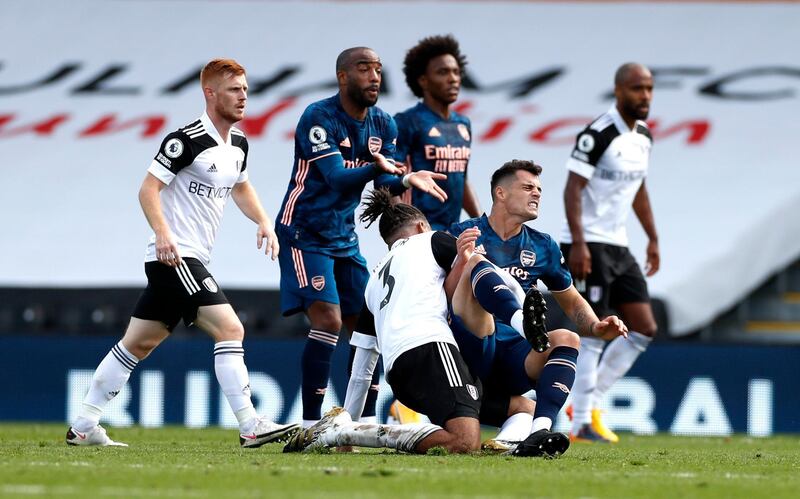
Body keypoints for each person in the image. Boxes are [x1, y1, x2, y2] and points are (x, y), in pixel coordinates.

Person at [66, 59, 299, 448]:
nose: (243, 96)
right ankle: (250, 424)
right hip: (175, 257)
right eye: (233, 89)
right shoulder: (185, 140)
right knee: (231, 329)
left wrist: (263, 221)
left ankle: (84, 425)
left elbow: (240, 185)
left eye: (245, 88)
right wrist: (163, 234)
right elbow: (147, 189)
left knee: (136, 344)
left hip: (189, 258)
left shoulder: (238, 143)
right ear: (210, 93)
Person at [284, 189, 568, 457]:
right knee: (464, 441)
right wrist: (519, 302)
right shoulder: (430, 239)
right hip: (431, 348)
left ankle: (507, 444)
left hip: (399, 373)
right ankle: (349, 433)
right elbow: (484, 271)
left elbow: (361, 367)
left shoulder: (374, 282)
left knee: (523, 408)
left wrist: (349, 413)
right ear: (421, 226)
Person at [275, 47, 446, 428]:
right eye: (364, 68)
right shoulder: (319, 117)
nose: (374, 77)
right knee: (328, 321)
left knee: (368, 325)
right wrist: (376, 168)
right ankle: (308, 423)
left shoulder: (384, 124)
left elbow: (383, 175)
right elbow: (336, 176)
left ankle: (363, 418)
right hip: (303, 231)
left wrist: (404, 178)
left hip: (343, 237)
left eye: (378, 70)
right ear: (342, 76)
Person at [448, 160, 628, 449]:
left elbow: (572, 302)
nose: (537, 194)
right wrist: (460, 261)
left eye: (540, 190)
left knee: (567, 337)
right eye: (528, 187)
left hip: (513, 358)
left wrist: (596, 325)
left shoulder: (542, 246)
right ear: (500, 193)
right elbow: (440, 294)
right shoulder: (463, 232)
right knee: (475, 264)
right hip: (471, 348)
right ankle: (521, 320)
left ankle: (540, 432)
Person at [561, 62, 659, 444]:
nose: (645, 96)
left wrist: (652, 237)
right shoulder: (598, 133)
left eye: (649, 88)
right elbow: (572, 188)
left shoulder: (644, 136)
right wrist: (579, 242)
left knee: (644, 328)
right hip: (590, 243)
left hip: (620, 245)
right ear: (619, 91)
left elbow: (640, 190)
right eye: (637, 89)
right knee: (593, 333)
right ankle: (582, 422)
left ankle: (590, 402)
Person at [394, 34, 481, 230]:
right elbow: (388, 183)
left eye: (456, 72)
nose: (453, 79)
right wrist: (402, 231)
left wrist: (483, 223)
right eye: (443, 72)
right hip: (418, 231)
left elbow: (461, 179)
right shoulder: (406, 122)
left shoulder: (463, 123)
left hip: (452, 232)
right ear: (423, 81)